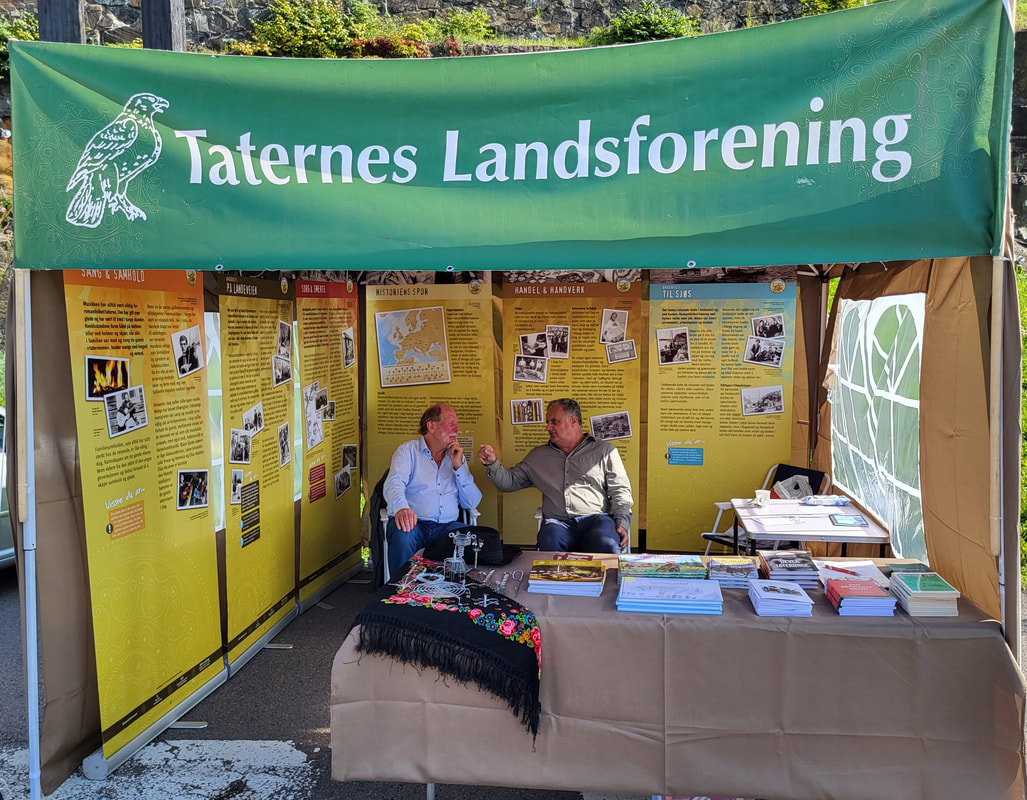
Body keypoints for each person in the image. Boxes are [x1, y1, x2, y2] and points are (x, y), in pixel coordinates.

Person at [477, 398, 632, 553]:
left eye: (554, 422)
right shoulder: (538, 456)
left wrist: (622, 523)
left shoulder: (604, 451)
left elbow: (620, 490)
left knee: (607, 543)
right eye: (547, 422)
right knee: (549, 538)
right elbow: (508, 482)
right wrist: (492, 463)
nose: (548, 427)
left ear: (573, 421)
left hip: (595, 520)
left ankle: (605, 577)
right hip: (557, 524)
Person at [384, 403, 483, 575]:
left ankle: (457, 592)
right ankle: (400, 592)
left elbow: (472, 502)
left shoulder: (456, 456)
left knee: (474, 541)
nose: (457, 429)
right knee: (403, 534)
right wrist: (401, 508)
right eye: (451, 423)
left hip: (447, 527)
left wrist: (459, 466)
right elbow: (394, 482)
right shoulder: (408, 451)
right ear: (431, 426)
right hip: (414, 523)